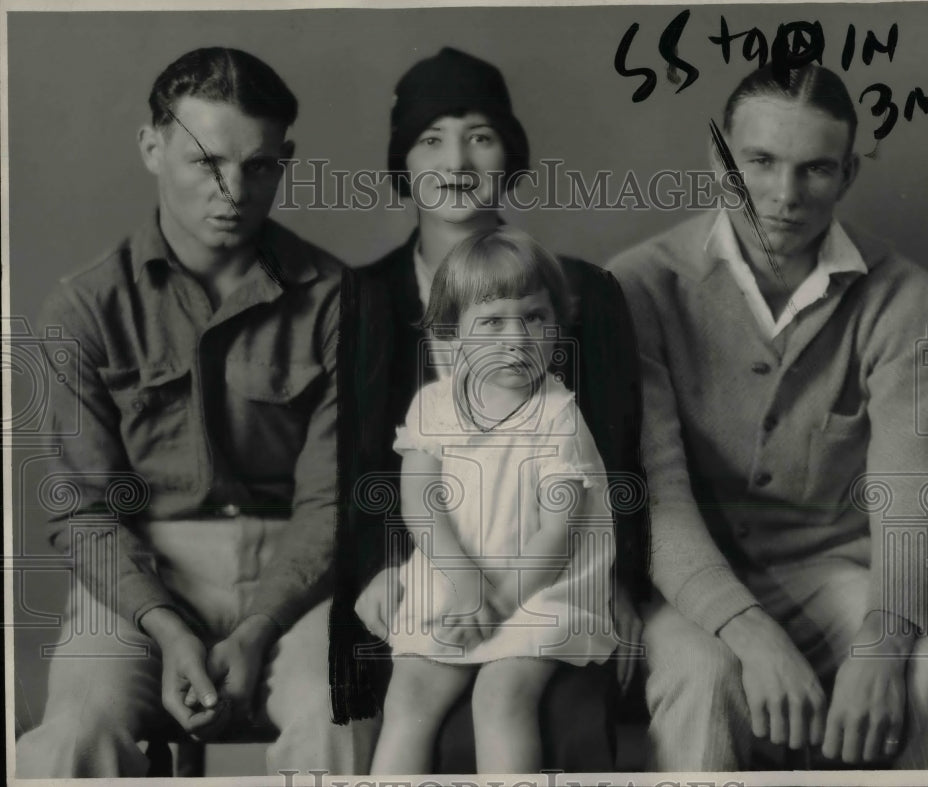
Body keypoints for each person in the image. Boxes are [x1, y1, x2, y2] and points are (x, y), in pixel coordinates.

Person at [608, 62, 928, 771]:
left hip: (834, 573)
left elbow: (916, 490)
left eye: (815, 169)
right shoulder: (638, 284)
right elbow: (654, 492)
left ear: (847, 176)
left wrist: (880, 642)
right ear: (721, 159)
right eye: (760, 162)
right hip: (682, 588)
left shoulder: (902, 295)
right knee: (705, 678)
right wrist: (747, 630)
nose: (784, 196)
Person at [16, 47, 377, 777]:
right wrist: (166, 624)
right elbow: (83, 508)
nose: (232, 190)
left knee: (342, 726)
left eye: (259, 166)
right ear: (152, 147)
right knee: (69, 742)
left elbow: (330, 500)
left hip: (298, 583)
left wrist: (256, 627)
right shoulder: (85, 306)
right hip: (135, 580)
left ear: (286, 160)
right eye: (205, 161)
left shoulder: (339, 299)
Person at [348, 47, 649, 771]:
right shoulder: (363, 297)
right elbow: (367, 467)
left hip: (549, 575)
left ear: (510, 155)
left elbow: (618, 459)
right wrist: (388, 569)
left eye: (480, 136)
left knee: (531, 708)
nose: (456, 160)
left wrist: (623, 582)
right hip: (429, 570)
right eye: (431, 138)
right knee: (400, 699)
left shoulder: (579, 296)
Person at [371, 227, 618, 773]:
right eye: (492, 322)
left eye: (535, 317)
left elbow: (558, 535)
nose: (519, 339)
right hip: (456, 576)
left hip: (540, 589)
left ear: (559, 324)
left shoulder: (558, 416)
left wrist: (498, 604)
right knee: (407, 699)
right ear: (450, 336)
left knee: (501, 696)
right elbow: (421, 500)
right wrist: (463, 585)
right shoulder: (434, 404)